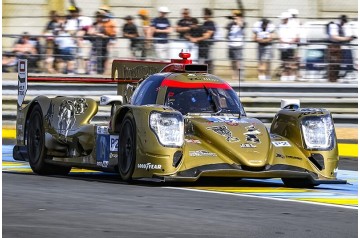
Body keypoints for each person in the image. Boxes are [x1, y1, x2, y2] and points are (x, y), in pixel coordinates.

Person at [327, 15, 354, 82]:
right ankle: (332, 79)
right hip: (334, 46)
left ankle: (335, 78)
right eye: (343, 22)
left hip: (339, 46)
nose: (344, 23)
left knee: (338, 64)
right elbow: (334, 37)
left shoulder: (340, 26)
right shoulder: (333, 26)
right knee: (334, 64)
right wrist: (346, 38)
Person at [277, 11, 298, 81]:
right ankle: (285, 75)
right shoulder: (280, 25)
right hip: (283, 46)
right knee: (284, 63)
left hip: (291, 46)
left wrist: (291, 42)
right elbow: (279, 36)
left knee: (291, 62)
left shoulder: (294, 25)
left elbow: (296, 36)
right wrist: (282, 41)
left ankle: (291, 76)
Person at [226, 10, 245, 81]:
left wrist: (237, 19)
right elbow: (227, 28)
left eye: (234, 15)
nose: (233, 17)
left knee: (238, 62)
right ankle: (233, 76)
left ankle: (239, 76)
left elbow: (241, 26)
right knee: (232, 61)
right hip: (231, 44)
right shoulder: (231, 24)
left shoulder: (242, 22)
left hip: (238, 45)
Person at [202, 8, 217, 74]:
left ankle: (211, 74)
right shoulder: (205, 23)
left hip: (209, 44)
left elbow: (209, 33)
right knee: (206, 61)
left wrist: (203, 34)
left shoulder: (211, 23)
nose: (203, 15)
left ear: (207, 15)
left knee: (209, 60)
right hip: (204, 44)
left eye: (204, 14)